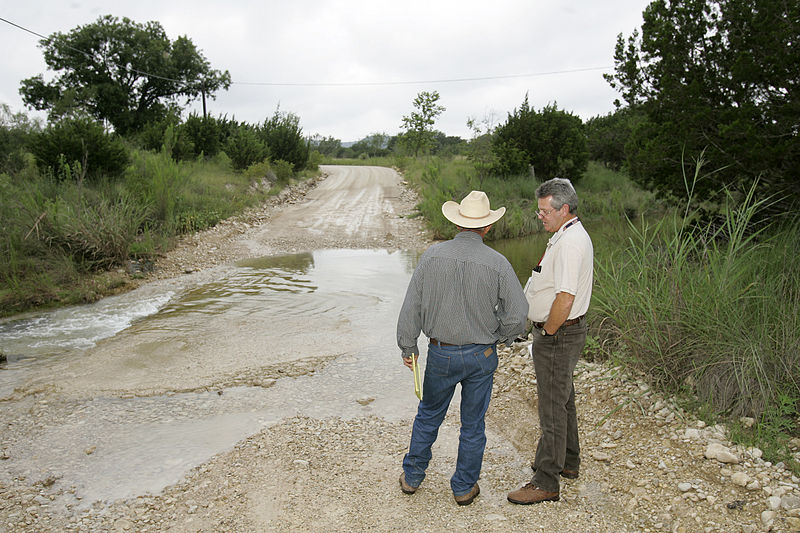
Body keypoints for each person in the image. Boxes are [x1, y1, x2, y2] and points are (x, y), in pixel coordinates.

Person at [396, 190, 528, 506]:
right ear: (487, 227)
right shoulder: (497, 262)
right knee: (473, 424)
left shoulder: (431, 256)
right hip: (481, 355)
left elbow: (411, 305)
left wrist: (408, 347)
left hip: (440, 354)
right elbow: (519, 313)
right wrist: (503, 336)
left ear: (456, 223)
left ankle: (412, 478)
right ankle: (463, 488)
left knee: (428, 415)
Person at [508, 178, 594, 505]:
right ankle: (569, 461)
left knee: (551, 406)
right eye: (539, 210)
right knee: (563, 397)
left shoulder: (571, 243)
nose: (540, 216)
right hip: (563, 332)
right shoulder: (564, 235)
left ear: (564, 209)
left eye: (545, 211)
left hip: (559, 332)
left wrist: (548, 331)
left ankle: (546, 480)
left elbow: (566, 297)